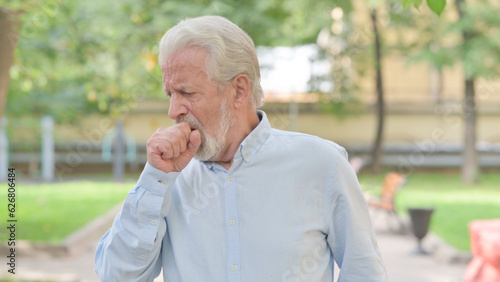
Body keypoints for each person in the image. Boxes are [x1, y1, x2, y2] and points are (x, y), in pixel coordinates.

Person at [95, 15, 388, 282]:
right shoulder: (165, 180)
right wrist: (154, 180)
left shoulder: (322, 164)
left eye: (187, 92)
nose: (174, 110)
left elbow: (364, 272)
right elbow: (117, 276)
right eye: (170, 93)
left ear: (239, 90)